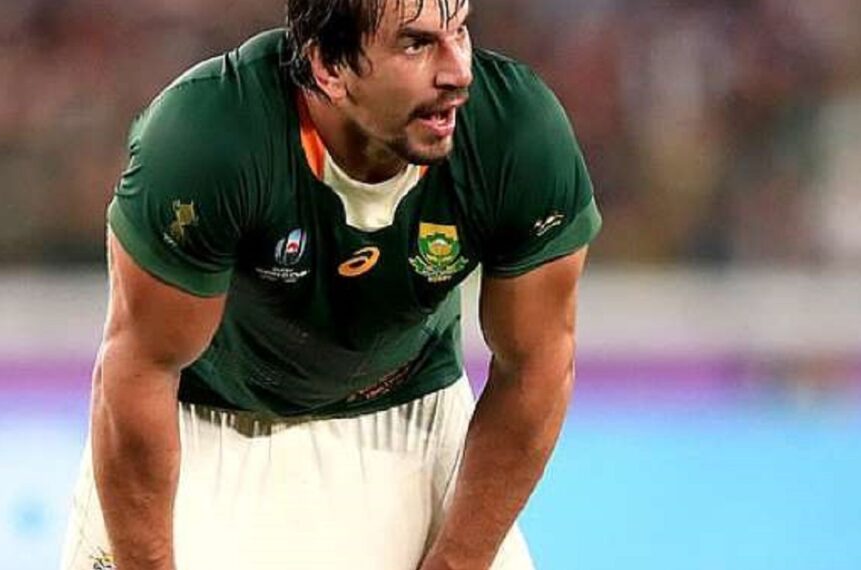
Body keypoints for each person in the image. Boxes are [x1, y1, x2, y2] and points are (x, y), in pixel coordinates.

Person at [61, 0, 601, 568]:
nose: (458, 72)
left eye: (459, 31)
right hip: (204, 423)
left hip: (414, 412)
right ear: (328, 67)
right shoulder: (208, 140)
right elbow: (140, 372)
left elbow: (537, 366)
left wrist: (456, 561)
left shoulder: (516, 133)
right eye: (416, 44)